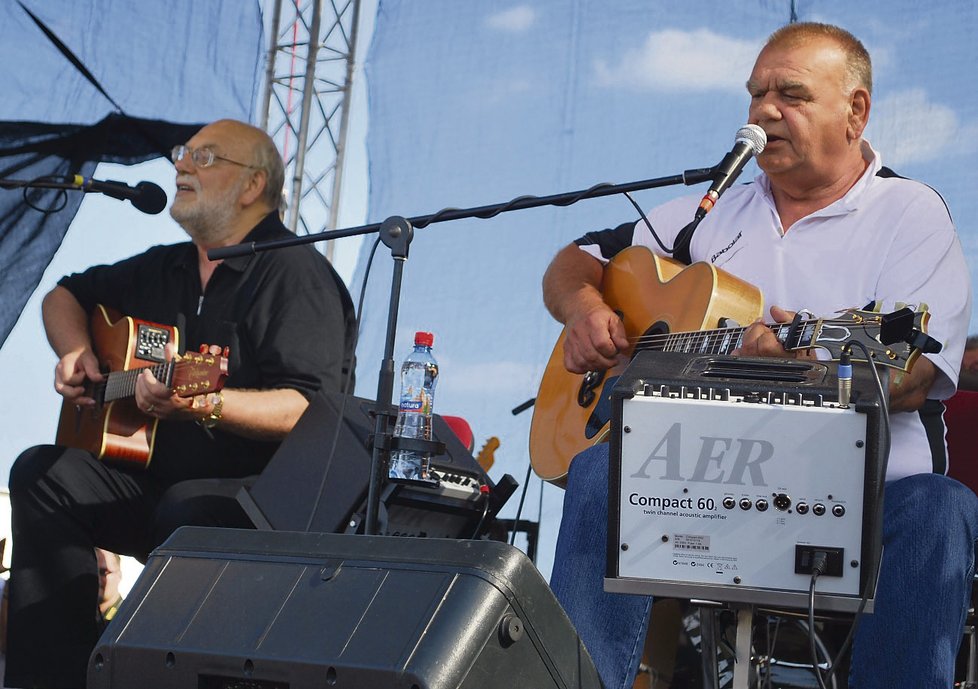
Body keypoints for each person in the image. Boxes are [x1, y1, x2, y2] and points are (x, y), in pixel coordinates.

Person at [542, 23, 975, 689]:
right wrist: (583, 310)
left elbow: (912, 374)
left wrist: (799, 365)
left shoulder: (909, 213)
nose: (765, 111)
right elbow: (578, 258)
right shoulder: (714, 209)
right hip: (708, 484)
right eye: (756, 95)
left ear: (856, 110)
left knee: (940, 510)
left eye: (791, 95)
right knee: (603, 468)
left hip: (862, 497)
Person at [4, 119, 357, 689]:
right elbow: (64, 295)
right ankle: (56, 677)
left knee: (188, 509)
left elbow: (308, 409)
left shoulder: (296, 275)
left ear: (251, 186)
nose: (181, 167)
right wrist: (74, 351)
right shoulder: (164, 266)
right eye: (181, 154)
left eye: (204, 157)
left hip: (256, 503)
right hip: (153, 482)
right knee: (44, 473)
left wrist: (206, 406)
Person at [95, 549, 123, 632]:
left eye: (103, 572)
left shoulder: (128, 617)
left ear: (119, 575)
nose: (97, 579)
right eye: (92, 570)